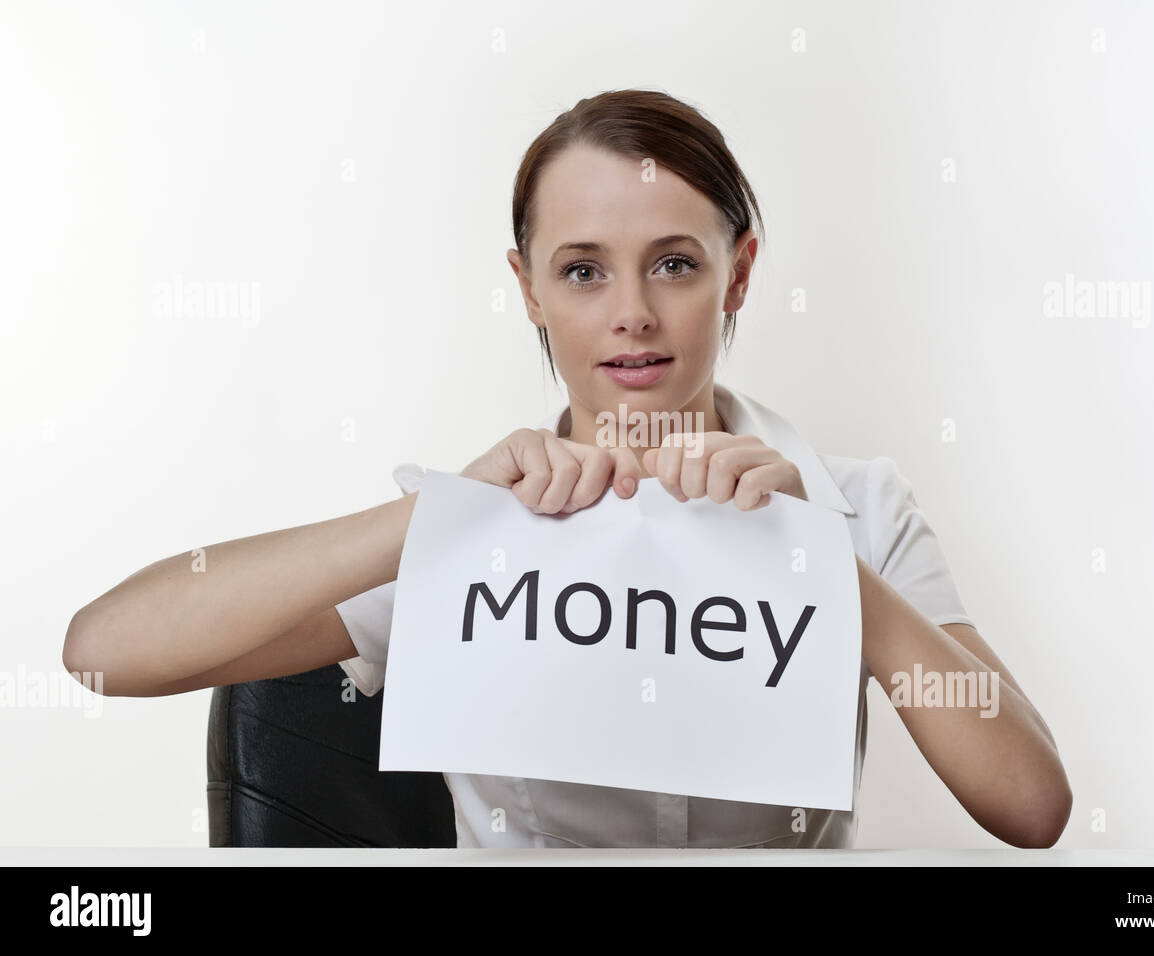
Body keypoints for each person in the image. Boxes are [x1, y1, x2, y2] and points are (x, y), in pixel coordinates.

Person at [63, 88, 1070, 850]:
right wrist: (428, 521)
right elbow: (104, 649)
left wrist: (816, 559)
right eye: (583, 270)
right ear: (530, 288)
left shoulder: (856, 503)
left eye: (674, 262)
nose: (631, 311)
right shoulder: (477, 523)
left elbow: (1032, 805)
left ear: (740, 272)